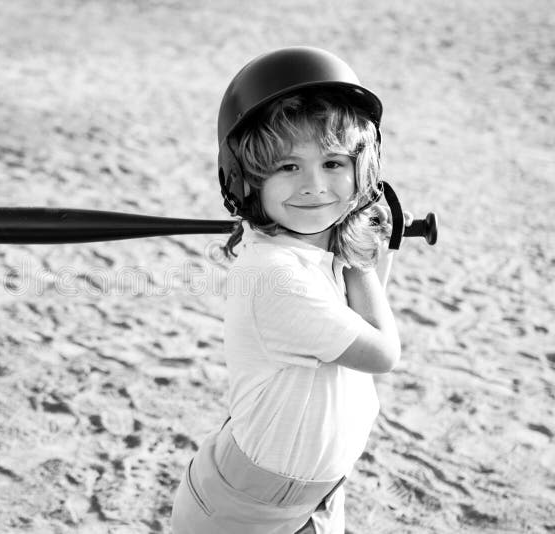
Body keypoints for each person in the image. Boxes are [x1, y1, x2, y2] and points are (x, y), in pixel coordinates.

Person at [170, 46, 413, 533]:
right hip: (245, 512)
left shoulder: (307, 250)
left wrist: (357, 244)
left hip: (316, 501)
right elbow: (382, 351)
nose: (314, 186)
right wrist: (361, 250)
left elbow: (361, 313)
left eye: (334, 163)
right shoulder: (277, 278)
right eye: (287, 167)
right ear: (244, 181)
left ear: (362, 171)